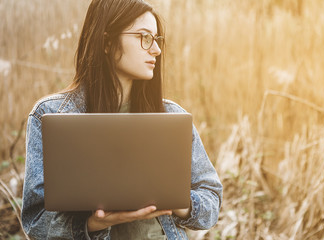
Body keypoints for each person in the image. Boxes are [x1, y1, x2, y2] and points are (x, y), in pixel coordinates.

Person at [21, 0, 223, 239]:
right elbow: (35, 223)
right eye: (144, 37)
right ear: (107, 41)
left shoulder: (173, 117)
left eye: (156, 40)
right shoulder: (51, 115)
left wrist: (177, 200)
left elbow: (211, 199)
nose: (156, 50)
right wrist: (93, 224)